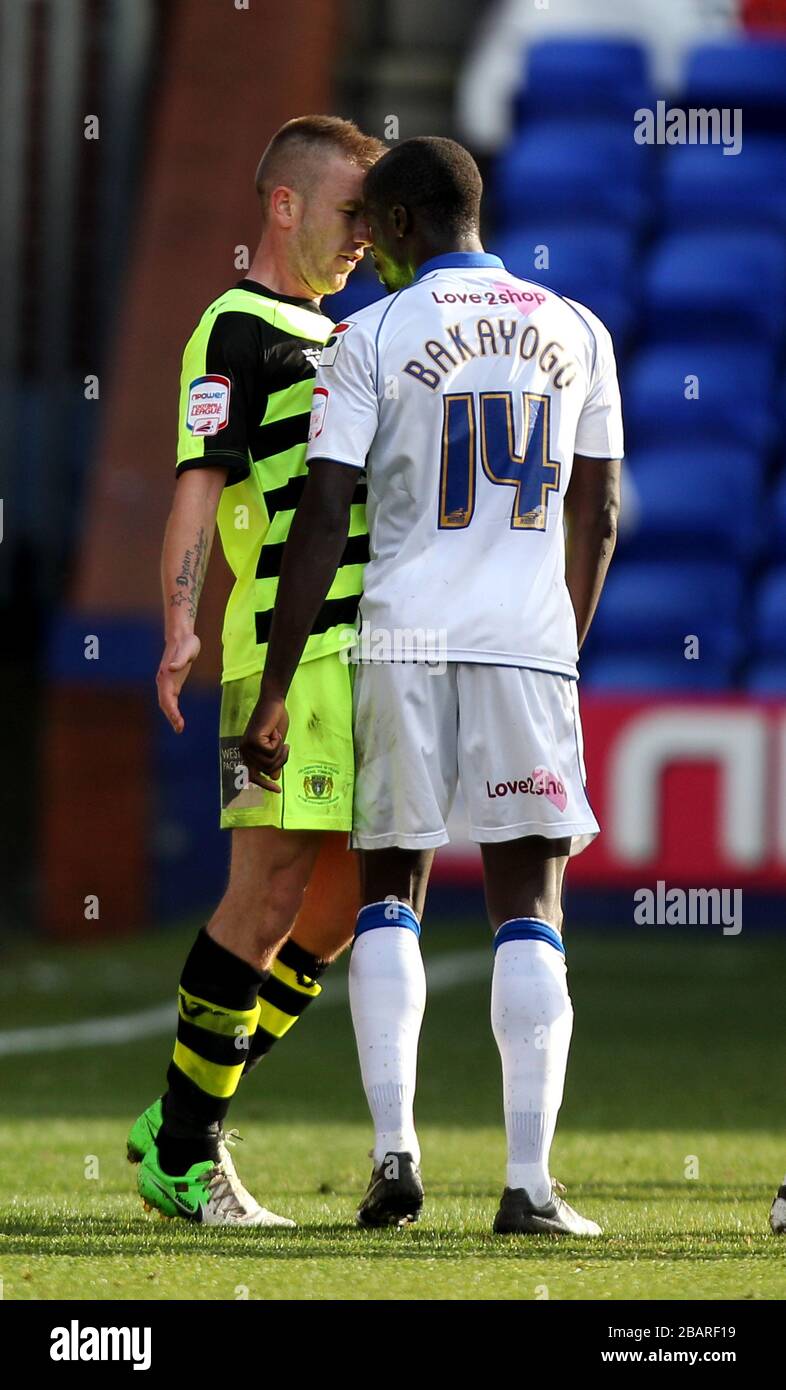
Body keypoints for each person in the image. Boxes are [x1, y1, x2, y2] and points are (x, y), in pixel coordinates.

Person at [242, 136, 623, 1235]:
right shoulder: (577, 329)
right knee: (530, 908)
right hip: (525, 645)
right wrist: (562, 639)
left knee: (387, 898)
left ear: (402, 224)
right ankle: (528, 1185)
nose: (367, 240)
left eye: (375, 221)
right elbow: (596, 513)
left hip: (400, 637)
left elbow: (324, 512)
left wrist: (275, 687)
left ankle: (395, 1162)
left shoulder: (367, 335)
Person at [129, 115, 384, 1227]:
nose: (362, 240)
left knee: (333, 908)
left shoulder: (352, 334)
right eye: (348, 215)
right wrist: (179, 621)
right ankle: (185, 1154)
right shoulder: (235, 324)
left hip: (373, 654)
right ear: (284, 205)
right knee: (268, 894)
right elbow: (201, 473)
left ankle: (175, 1116)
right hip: (286, 656)